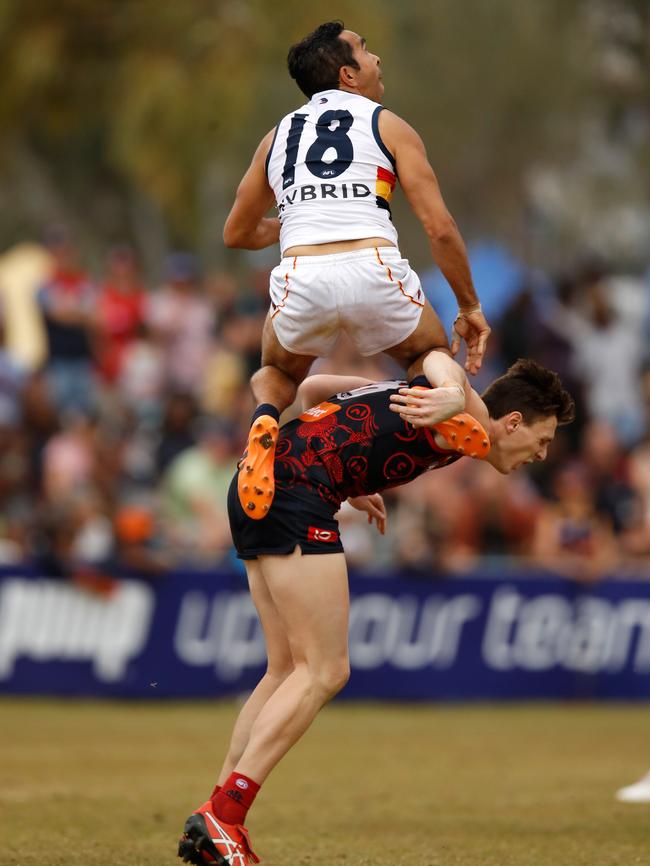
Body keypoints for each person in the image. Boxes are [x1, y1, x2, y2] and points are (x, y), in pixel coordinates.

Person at [177, 350, 574, 865]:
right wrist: (453, 391)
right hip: (297, 491)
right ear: (514, 421)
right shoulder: (466, 412)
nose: (541, 455)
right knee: (326, 670)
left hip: (260, 480)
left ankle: (213, 813)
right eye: (542, 441)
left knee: (285, 670)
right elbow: (436, 359)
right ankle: (225, 816)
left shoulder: (411, 399)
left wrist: (351, 480)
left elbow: (318, 390)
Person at [223, 21, 491, 519]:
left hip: (302, 271)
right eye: (366, 51)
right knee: (426, 353)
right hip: (373, 268)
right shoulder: (389, 124)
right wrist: (470, 305)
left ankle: (263, 421)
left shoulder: (277, 136)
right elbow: (441, 228)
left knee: (278, 373)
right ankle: (444, 403)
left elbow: (236, 232)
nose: (377, 59)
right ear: (348, 75)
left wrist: (297, 219)